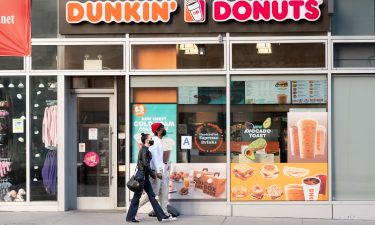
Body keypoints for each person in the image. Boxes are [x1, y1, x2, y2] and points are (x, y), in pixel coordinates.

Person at [126, 133, 176, 223]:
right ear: (146, 140)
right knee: (137, 197)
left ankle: (161, 216)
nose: (152, 139)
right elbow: (145, 165)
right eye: (151, 138)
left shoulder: (146, 150)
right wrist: (154, 175)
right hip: (141, 177)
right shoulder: (144, 151)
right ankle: (130, 217)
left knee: (151, 196)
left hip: (144, 176)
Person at [138, 123, 170, 217]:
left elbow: (159, 158)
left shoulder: (159, 140)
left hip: (161, 170)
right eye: (162, 128)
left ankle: (164, 212)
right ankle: (134, 207)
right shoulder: (155, 141)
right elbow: (154, 158)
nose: (163, 129)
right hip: (156, 171)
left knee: (164, 192)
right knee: (153, 193)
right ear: (157, 131)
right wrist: (158, 171)